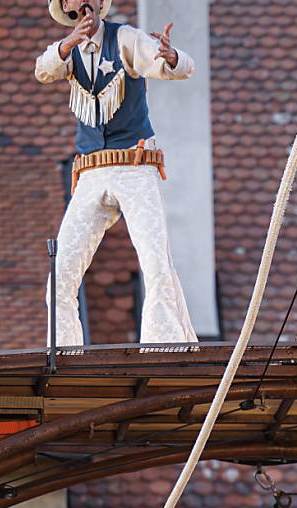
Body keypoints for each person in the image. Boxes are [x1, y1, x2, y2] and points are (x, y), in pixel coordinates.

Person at [35, 0, 197, 346]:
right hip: (91, 171)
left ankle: (163, 348)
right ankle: (63, 354)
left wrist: (171, 57)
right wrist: (69, 42)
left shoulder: (125, 38)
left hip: (134, 165)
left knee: (155, 263)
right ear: (67, 6)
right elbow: (43, 70)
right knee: (60, 276)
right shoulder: (69, 51)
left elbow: (175, 66)